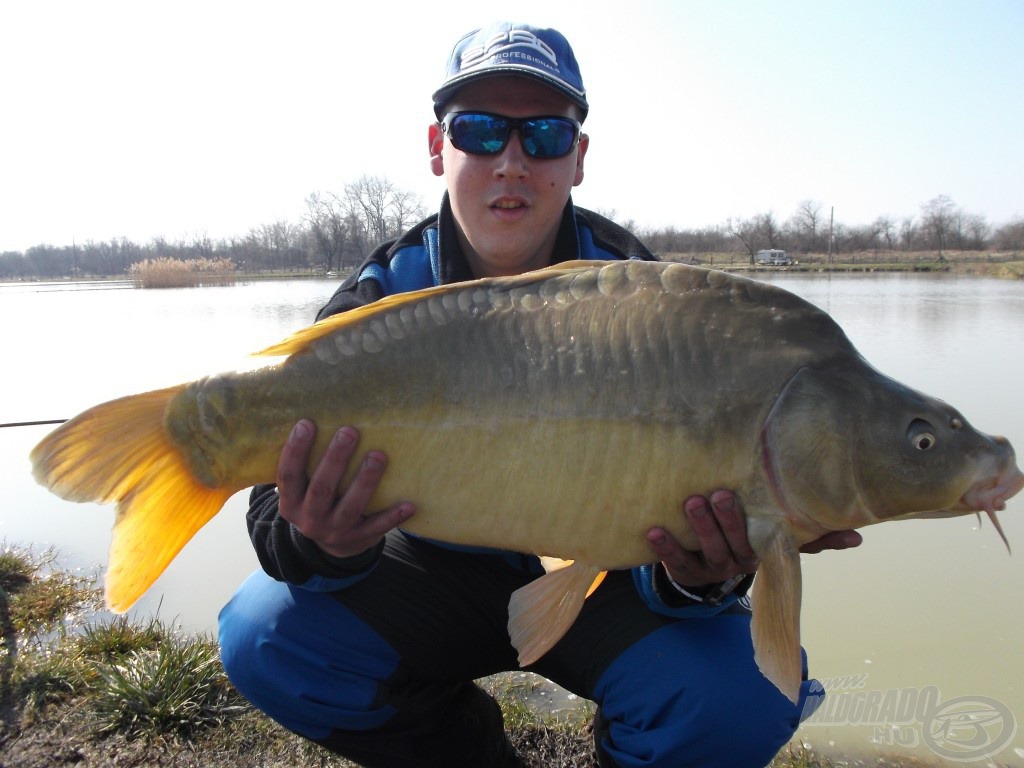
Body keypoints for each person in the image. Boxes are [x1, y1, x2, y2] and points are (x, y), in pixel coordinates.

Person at [218, 22, 861, 768]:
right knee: (265, 636)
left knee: (739, 696)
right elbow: (270, 512)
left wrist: (699, 579)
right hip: (428, 569)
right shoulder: (378, 296)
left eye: (545, 135)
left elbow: (704, 512)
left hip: (604, 579)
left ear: (578, 157)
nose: (512, 163)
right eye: (482, 131)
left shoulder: (646, 297)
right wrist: (318, 540)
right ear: (439, 148)